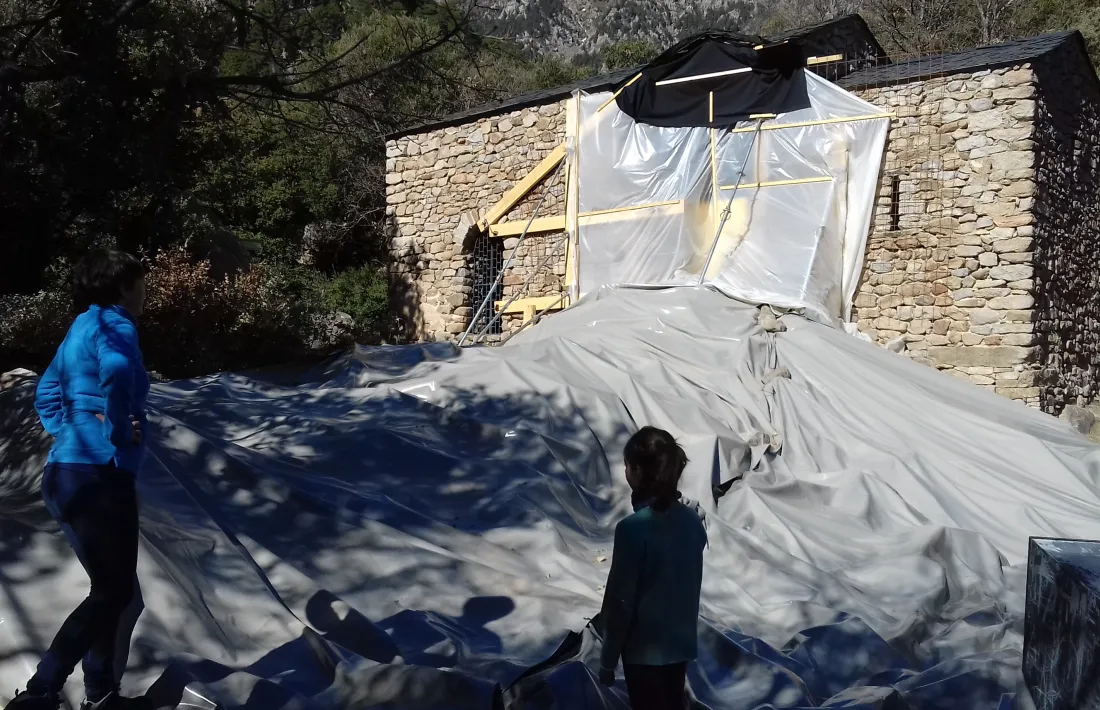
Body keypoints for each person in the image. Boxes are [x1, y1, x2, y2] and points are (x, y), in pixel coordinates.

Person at [6, 250, 151, 710]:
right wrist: (111, 429)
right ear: (123, 287)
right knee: (114, 591)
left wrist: (69, 428)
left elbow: (47, 391)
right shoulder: (117, 323)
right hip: (99, 476)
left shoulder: (80, 326)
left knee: (109, 590)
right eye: (141, 283)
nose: (145, 292)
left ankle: (100, 694)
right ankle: (40, 692)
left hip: (64, 473)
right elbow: (116, 370)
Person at [597, 426, 707, 710]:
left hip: (643, 654)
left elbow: (620, 603)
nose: (624, 473)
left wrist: (608, 661)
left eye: (626, 466)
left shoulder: (632, 530)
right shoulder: (693, 523)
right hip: (680, 647)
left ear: (637, 470)